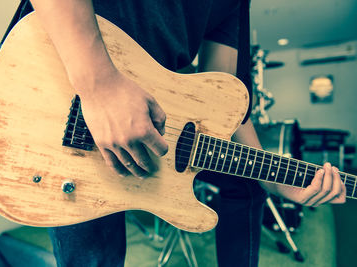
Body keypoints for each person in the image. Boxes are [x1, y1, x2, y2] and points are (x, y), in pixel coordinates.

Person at [28, 0, 346, 266]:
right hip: (65, 77)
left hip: (148, 119)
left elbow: (224, 100)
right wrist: (100, 86)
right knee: (95, 257)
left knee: (247, 188)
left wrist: (274, 179)